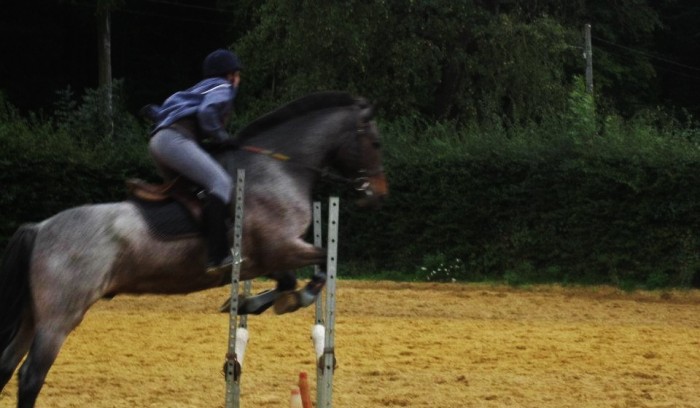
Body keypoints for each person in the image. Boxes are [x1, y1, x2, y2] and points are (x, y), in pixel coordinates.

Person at [148, 49, 242, 273]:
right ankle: (217, 256)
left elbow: (161, 112)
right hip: (175, 140)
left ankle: (187, 250)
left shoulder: (194, 89)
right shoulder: (223, 87)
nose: (238, 80)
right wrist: (222, 136)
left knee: (195, 195)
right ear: (229, 75)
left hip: (158, 142)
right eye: (237, 74)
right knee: (221, 183)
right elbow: (207, 112)